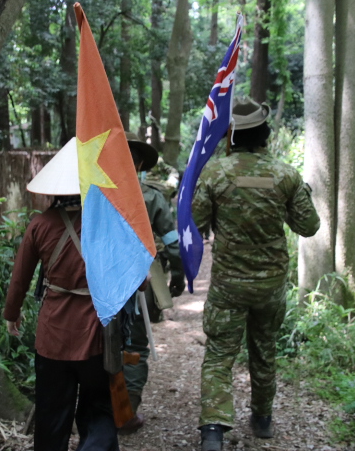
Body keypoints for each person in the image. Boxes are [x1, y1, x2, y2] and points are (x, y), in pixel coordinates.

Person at [194, 98, 320, 450]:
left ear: (230, 136)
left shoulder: (214, 173)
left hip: (228, 285)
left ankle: (213, 429)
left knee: (219, 353)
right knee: (264, 349)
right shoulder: (285, 175)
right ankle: (262, 418)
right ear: (265, 133)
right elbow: (309, 226)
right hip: (270, 285)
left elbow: (196, 225)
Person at [3, 138, 119, 451]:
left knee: (52, 414)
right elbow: (135, 278)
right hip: (95, 332)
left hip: (52, 335)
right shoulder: (106, 222)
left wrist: (11, 315)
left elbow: (20, 279)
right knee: (98, 410)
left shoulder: (39, 225)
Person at [120, 132, 185, 434]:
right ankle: (125, 413)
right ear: (140, 164)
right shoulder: (152, 197)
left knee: (97, 345)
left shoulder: (93, 194)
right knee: (134, 346)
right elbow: (171, 240)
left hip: (97, 283)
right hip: (140, 282)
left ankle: (100, 411)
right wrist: (178, 274)